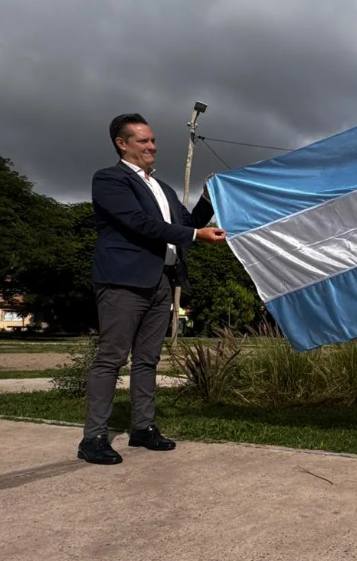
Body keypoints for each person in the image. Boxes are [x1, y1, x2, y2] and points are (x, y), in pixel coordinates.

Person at [78, 113, 227, 465]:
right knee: (111, 358)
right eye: (143, 141)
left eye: (154, 140)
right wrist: (194, 236)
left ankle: (143, 428)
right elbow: (138, 223)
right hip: (123, 281)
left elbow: (186, 223)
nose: (152, 146)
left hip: (162, 281)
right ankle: (94, 437)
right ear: (122, 143)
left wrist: (206, 201)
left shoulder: (164, 189)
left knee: (147, 359)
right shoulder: (109, 180)